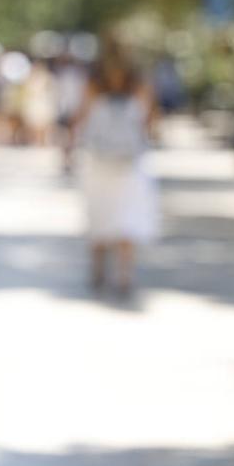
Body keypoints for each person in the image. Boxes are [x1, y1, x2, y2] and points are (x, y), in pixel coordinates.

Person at [71, 37, 159, 297]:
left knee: (102, 216)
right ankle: (123, 275)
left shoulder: (93, 86)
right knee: (125, 219)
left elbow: (79, 119)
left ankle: (101, 272)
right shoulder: (140, 87)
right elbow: (151, 123)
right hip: (128, 163)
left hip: (101, 161)